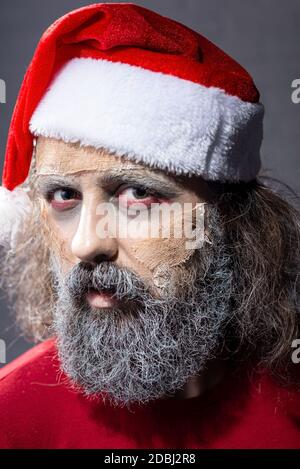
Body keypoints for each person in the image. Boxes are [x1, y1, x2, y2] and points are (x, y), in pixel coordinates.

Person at [0, 3, 299, 449]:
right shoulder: (11, 416)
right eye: (64, 196)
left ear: (234, 219)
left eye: (137, 197)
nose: (86, 244)